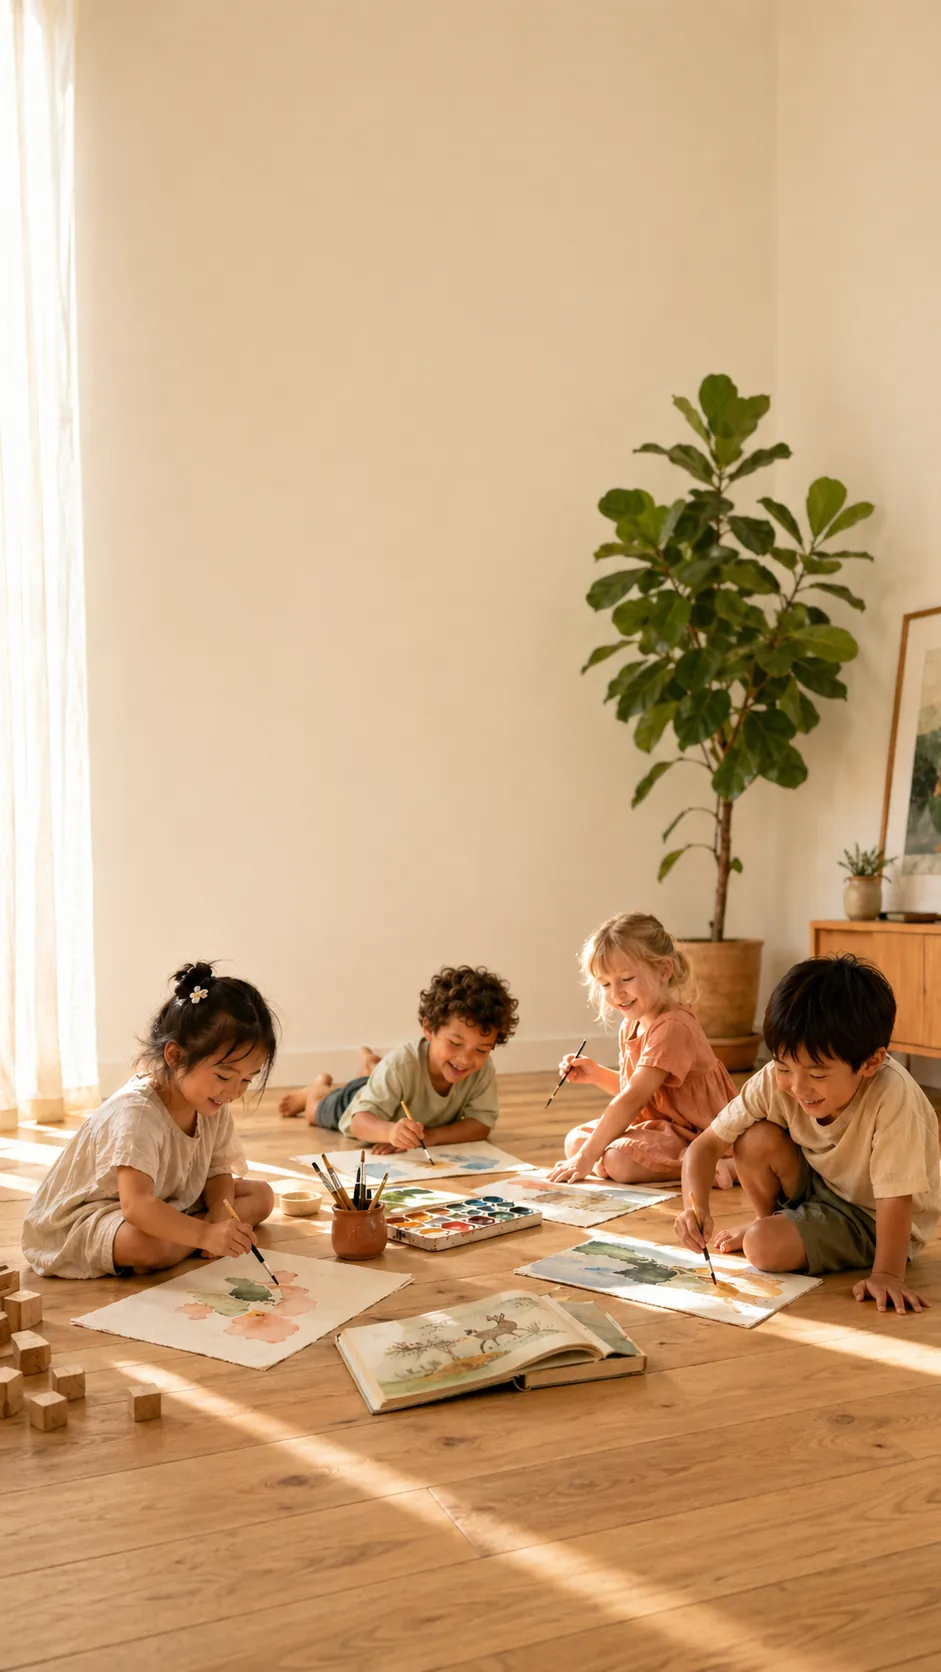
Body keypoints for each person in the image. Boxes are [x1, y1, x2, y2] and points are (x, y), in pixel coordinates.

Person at [674, 954, 941, 1314]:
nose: (798, 1088)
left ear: (870, 1062)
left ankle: (775, 1230)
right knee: (754, 1138)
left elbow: (896, 1199)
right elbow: (705, 1146)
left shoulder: (893, 1098)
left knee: (761, 1247)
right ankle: (771, 1221)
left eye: (817, 1075)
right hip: (823, 1187)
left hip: (875, 1219)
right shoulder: (775, 1080)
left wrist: (888, 1273)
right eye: (784, 1066)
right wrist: (695, 1206)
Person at [22, 962, 277, 1278]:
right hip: (99, 1213)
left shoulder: (212, 1101)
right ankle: (184, 1236)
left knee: (262, 1195)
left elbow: (218, 1172)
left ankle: (184, 1233)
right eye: (225, 1075)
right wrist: (205, 1235)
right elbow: (136, 1207)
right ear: (175, 1056)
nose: (234, 1091)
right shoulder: (137, 1114)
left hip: (170, 1200)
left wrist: (218, 1220)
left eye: (246, 1080)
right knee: (150, 1246)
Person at [546, 912, 738, 1186]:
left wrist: (588, 1157)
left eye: (626, 979)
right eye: (605, 984)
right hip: (662, 1128)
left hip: (699, 1133)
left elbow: (633, 1097)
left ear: (663, 970)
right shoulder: (632, 1025)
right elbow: (644, 1093)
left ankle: (715, 1164)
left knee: (616, 1161)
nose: (616, 994)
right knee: (575, 1142)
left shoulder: (673, 1026)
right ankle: (655, 1161)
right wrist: (596, 1074)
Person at [278, 964, 518, 1151]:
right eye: (455, 1043)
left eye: (482, 1050)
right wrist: (390, 1133)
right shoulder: (401, 1064)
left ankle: (371, 1063)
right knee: (314, 1111)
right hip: (357, 1099)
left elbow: (481, 1125)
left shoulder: (482, 1070)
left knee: (385, 1076)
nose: (466, 1060)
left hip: (388, 1087)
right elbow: (358, 1121)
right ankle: (317, 1087)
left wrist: (431, 1137)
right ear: (429, 1028)